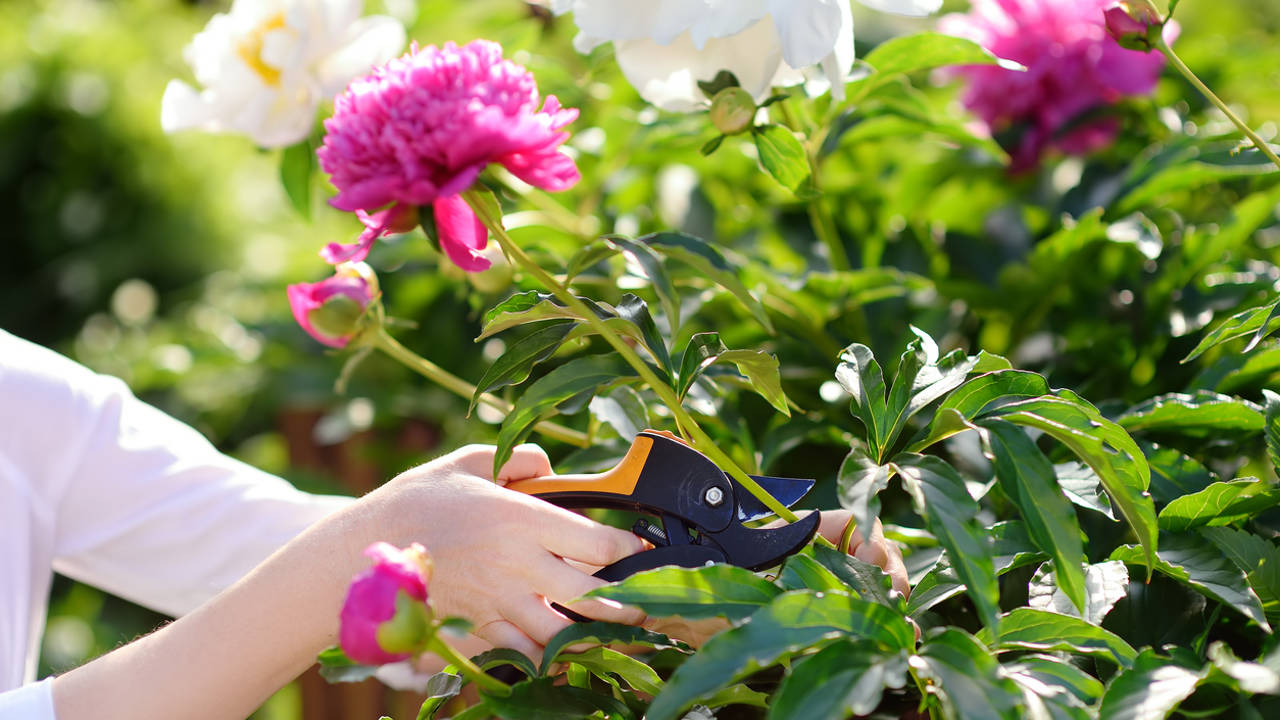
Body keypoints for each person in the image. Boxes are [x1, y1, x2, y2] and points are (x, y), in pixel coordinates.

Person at [0, 329, 907, 719]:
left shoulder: (21, 398)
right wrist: (381, 543)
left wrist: (652, 580)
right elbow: (325, 574)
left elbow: (258, 546)